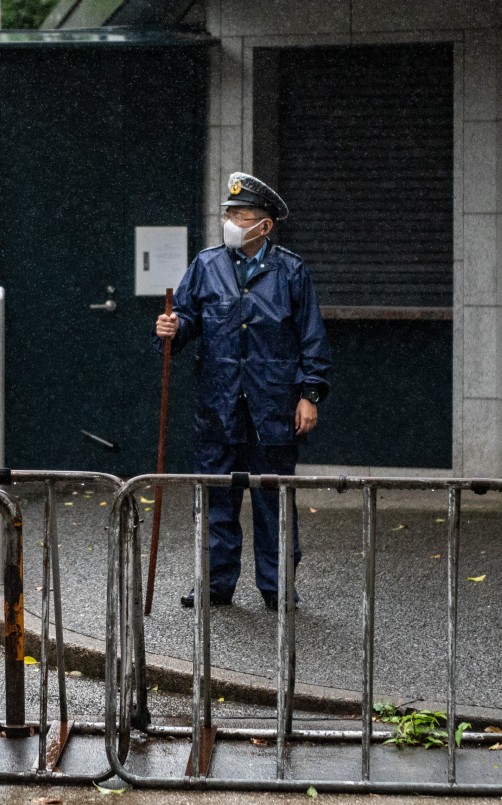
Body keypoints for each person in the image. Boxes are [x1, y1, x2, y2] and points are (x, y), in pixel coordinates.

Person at [155, 172, 332, 611]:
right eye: (228, 213)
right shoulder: (207, 265)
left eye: (240, 214)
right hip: (219, 404)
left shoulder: (290, 271)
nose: (231, 221)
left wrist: (309, 393)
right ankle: (214, 583)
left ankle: (277, 588)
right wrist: (171, 329)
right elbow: (188, 319)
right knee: (216, 498)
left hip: (272, 407)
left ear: (264, 225)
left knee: (273, 501)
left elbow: (312, 337)